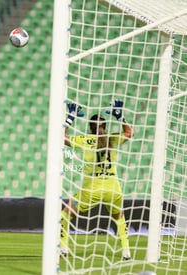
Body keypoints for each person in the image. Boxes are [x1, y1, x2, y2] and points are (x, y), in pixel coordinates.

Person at [60, 100, 133, 260]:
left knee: (65, 215)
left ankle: (63, 248)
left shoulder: (86, 140)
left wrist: (70, 117)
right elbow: (129, 133)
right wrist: (120, 117)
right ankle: (126, 251)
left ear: (90, 127)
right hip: (114, 188)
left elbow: (61, 137)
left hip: (92, 188)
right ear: (105, 126)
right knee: (119, 218)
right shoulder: (112, 139)